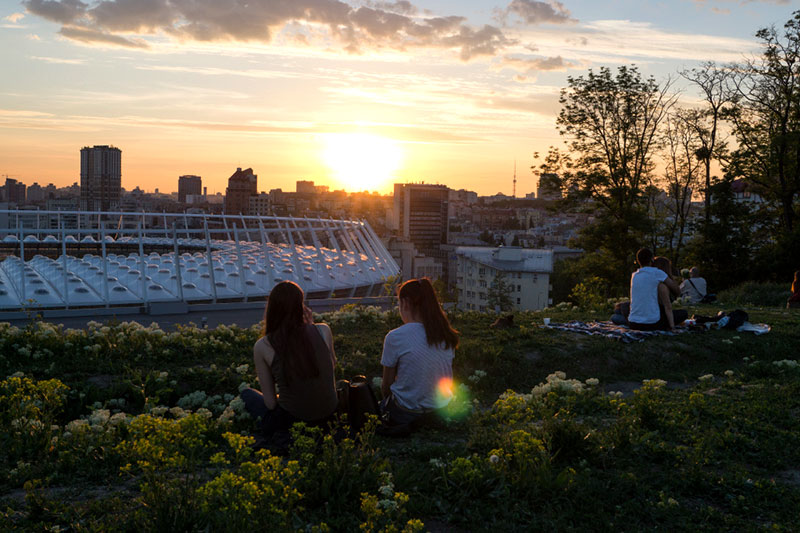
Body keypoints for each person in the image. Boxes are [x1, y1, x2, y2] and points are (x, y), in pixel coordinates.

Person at [241, 281, 338, 438]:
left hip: (292, 421)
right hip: (329, 415)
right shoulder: (323, 330)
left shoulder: (263, 345)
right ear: (300, 306)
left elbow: (271, 403)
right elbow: (330, 368)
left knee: (247, 394)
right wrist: (311, 327)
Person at [380, 278, 459, 427]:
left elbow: (386, 386)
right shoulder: (445, 333)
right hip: (441, 410)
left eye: (399, 304)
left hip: (406, 413)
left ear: (406, 303)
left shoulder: (395, 337)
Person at [628, 248, 683, 331]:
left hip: (633, 323)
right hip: (651, 324)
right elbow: (675, 288)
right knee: (683, 313)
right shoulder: (657, 273)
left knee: (620, 312)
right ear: (652, 259)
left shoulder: (634, 275)